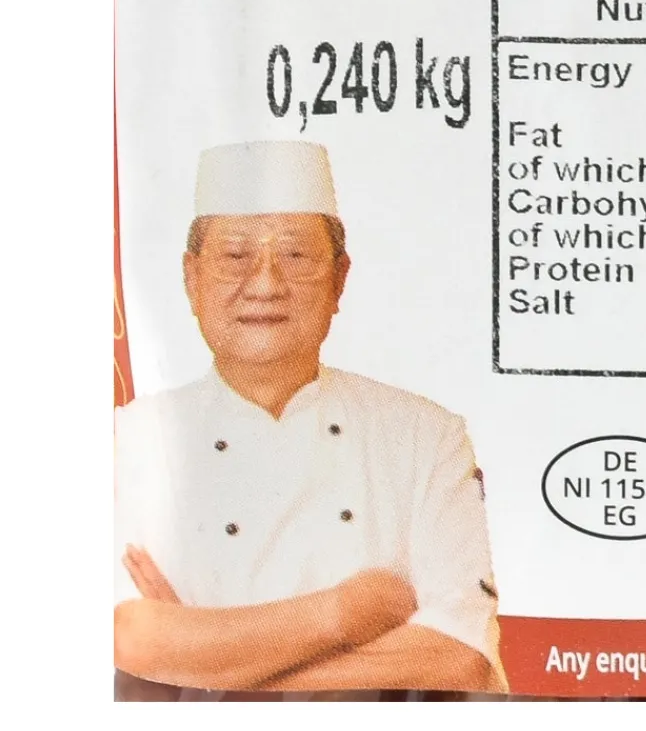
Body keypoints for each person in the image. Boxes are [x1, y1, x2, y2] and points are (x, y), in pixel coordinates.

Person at [114, 140, 503, 695]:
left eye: (296, 255)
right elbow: (128, 638)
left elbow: (461, 659)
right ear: (191, 278)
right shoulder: (130, 438)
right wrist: (345, 611)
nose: (265, 284)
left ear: (340, 278)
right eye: (235, 257)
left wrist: (208, 662)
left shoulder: (425, 436)